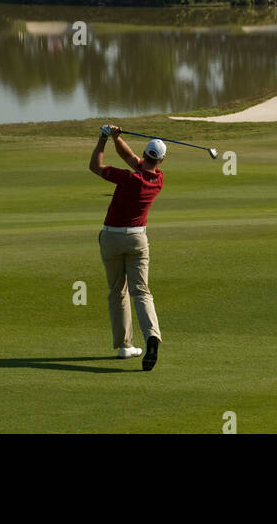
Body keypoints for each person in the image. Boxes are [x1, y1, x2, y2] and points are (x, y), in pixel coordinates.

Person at [88, 124, 165, 371]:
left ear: (146, 153)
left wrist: (102, 139)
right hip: (137, 240)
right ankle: (152, 335)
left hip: (111, 238)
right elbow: (130, 157)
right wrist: (116, 138)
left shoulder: (129, 178)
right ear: (161, 160)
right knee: (141, 291)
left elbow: (95, 167)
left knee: (117, 292)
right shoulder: (158, 179)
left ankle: (124, 346)